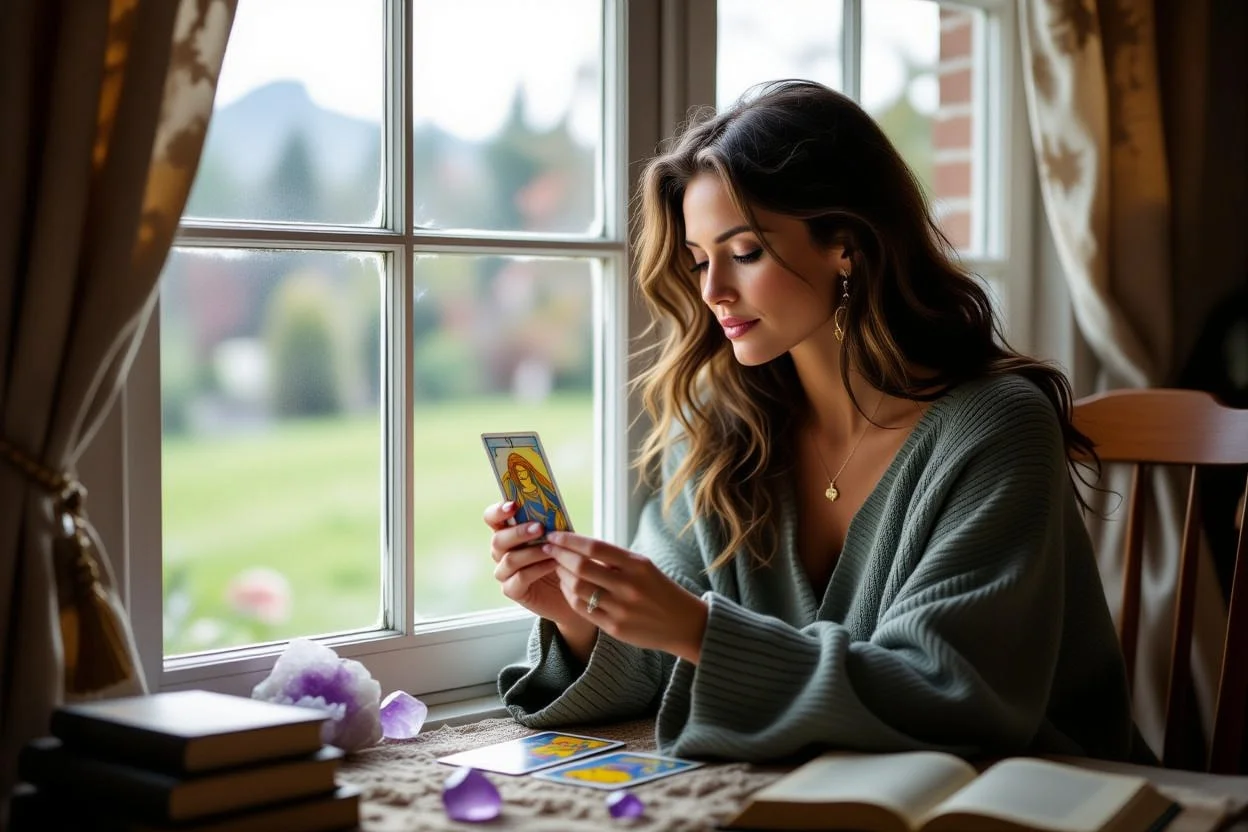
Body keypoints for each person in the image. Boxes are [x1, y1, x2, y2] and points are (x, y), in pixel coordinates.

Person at [484, 80, 1135, 764]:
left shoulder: (996, 429)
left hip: (1030, 797)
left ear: (845, 245)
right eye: (700, 260)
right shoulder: (719, 427)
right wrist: (575, 612)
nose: (712, 292)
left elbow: (954, 695)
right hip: (821, 790)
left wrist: (702, 632)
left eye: (745, 252)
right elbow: (657, 649)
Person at [500, 452, 570, 533]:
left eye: (522, 471)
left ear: (528, 470)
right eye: (517, 472)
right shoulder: (519, 497)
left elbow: (555, 504)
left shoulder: (543, 488)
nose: (520, 475)